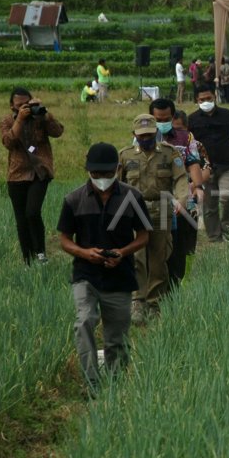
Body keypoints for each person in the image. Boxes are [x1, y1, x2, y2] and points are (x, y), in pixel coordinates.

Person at [57, 142, 150, 395]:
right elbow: (64, 239)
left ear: (117, 170)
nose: (101, 179)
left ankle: (115, 385)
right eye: (96, 174)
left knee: (116, 338)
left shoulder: (132, 197)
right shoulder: (74, 199)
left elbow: (143, 236)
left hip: (120, 276)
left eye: (107, 174)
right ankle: (92, 383)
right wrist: (85, 253)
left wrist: (122, 253)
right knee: (84, 321)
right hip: (86, 274)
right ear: (88, 170)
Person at [118, 114, 189, 325]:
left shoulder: (169, 154)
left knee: (159, 257)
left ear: (156, 133)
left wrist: (181, 200)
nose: (146, 139)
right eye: (142, 136)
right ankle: (138, 300)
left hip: (162, 209)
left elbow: (181, 179)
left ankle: (155, 301)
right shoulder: (125, 155)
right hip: (134, 211)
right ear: (134, 135)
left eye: (150, 135)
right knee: (137, 257)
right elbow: (116, 185)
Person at [0, 87, 64, 264]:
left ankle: (41, 253)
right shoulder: (6, 121)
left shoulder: (39, 117)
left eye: (26, 104)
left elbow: (58, 131)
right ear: (11, 106)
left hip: (40, 172)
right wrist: (19, 120)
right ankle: (27, 258)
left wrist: (45, 113)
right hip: (17, 174)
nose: (24, 108)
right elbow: (8, 142)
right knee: (21, 219)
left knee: (32, 212)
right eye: (19, 105)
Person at [150, 100, 209, 287]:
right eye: (157, 119)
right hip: (154, 203)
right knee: (155, 248)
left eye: (166, 118)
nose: (162, 122)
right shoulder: (144, 137)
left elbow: (193, 163)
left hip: (182, 201)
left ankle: (176, 285)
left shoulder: (186, 137)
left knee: (180, 249)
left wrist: (198, 187)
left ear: (172, 116)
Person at [188, 85, 229, 242]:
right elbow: (189, 146)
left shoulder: (227, 115)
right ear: (196, 101)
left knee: (227, 197)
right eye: (202, 100)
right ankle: (214, 237)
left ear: (215, 97)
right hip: (204, 169)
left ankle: (227, 230)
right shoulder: (192, 120)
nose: (206, 102)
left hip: (227, 166)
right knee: (209, 205)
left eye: (209, 98)